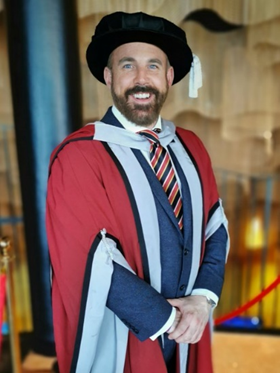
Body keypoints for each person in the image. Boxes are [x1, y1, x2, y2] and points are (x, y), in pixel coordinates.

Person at [46, 11, 229, 373]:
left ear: (169, 77)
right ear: (110, 77)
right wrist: (168, 319)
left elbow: (215, 226)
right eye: (128, 66)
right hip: (126, 338)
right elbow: (87, 259)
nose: (142, 79)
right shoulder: (80, 155)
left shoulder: (190, 147)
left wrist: (202, 299)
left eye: (153, 66)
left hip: (187, 335)